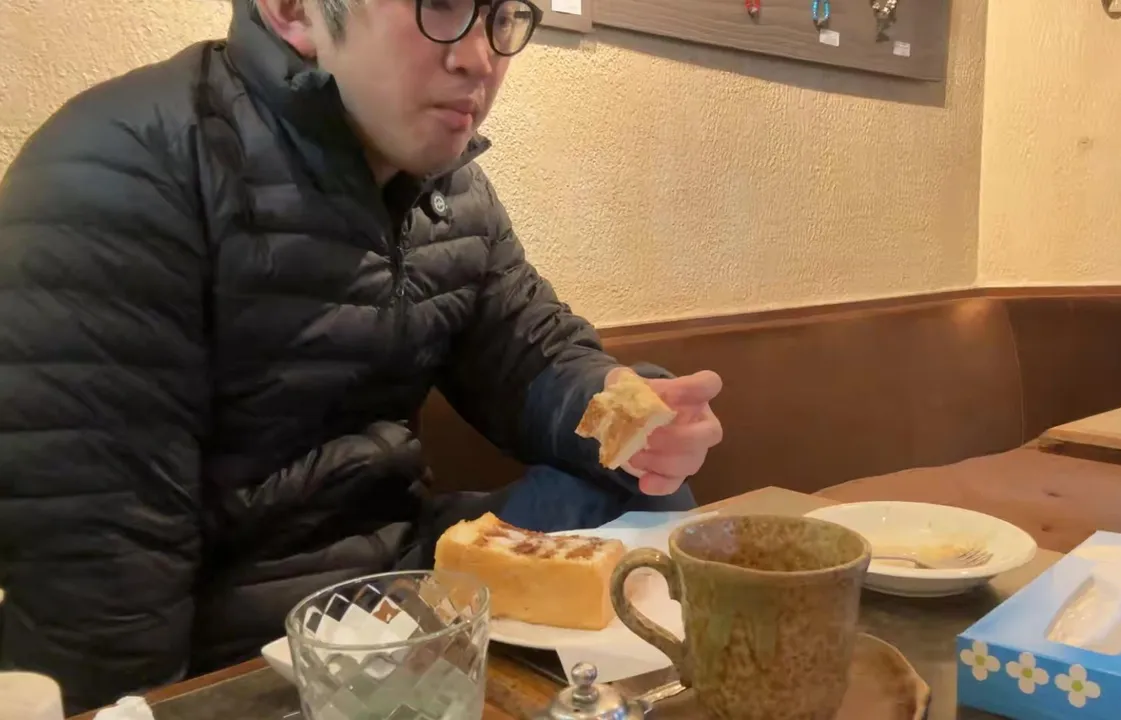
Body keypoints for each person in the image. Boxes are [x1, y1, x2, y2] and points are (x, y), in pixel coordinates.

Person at [0, 0, 724, 712]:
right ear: (294, 11)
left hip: (401, 584)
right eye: (440, 4)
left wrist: (630, 409)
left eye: (501, 14)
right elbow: (104, 576)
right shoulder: (126, 164)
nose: (481, 57)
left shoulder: (451, 190)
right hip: (243, 640)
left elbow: (530, 355)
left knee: (638, 493)